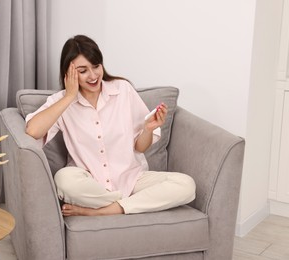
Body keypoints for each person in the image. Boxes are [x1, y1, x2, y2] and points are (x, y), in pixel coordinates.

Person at [25, 35, 196, 216]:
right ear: (68, 73)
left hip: (132, 179)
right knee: (63, 180)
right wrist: (69, 96)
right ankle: (129, 204)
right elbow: (33, 130)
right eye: (83, 71)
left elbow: (140, 147)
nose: (93, 76)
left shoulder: (122, 90)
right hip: (90, 184)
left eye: (96, 66)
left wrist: (148, 129)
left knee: (186, 185)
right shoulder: (61, 102)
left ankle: (104, 210)